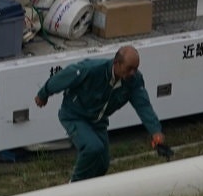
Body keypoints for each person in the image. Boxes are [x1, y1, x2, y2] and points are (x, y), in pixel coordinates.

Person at [34, 45, 172, 181]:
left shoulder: (134, 81)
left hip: (98, 121)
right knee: (92, 148)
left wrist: (156, 131)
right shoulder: (92, 69)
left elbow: (143, 105)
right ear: (116, 63)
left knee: (102, 163)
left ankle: (92, 192)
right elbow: (65, 76)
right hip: (74, 115)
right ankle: (74, 186)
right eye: (129, 68)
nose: (132, 73)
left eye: (135, 69)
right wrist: (43, 94)